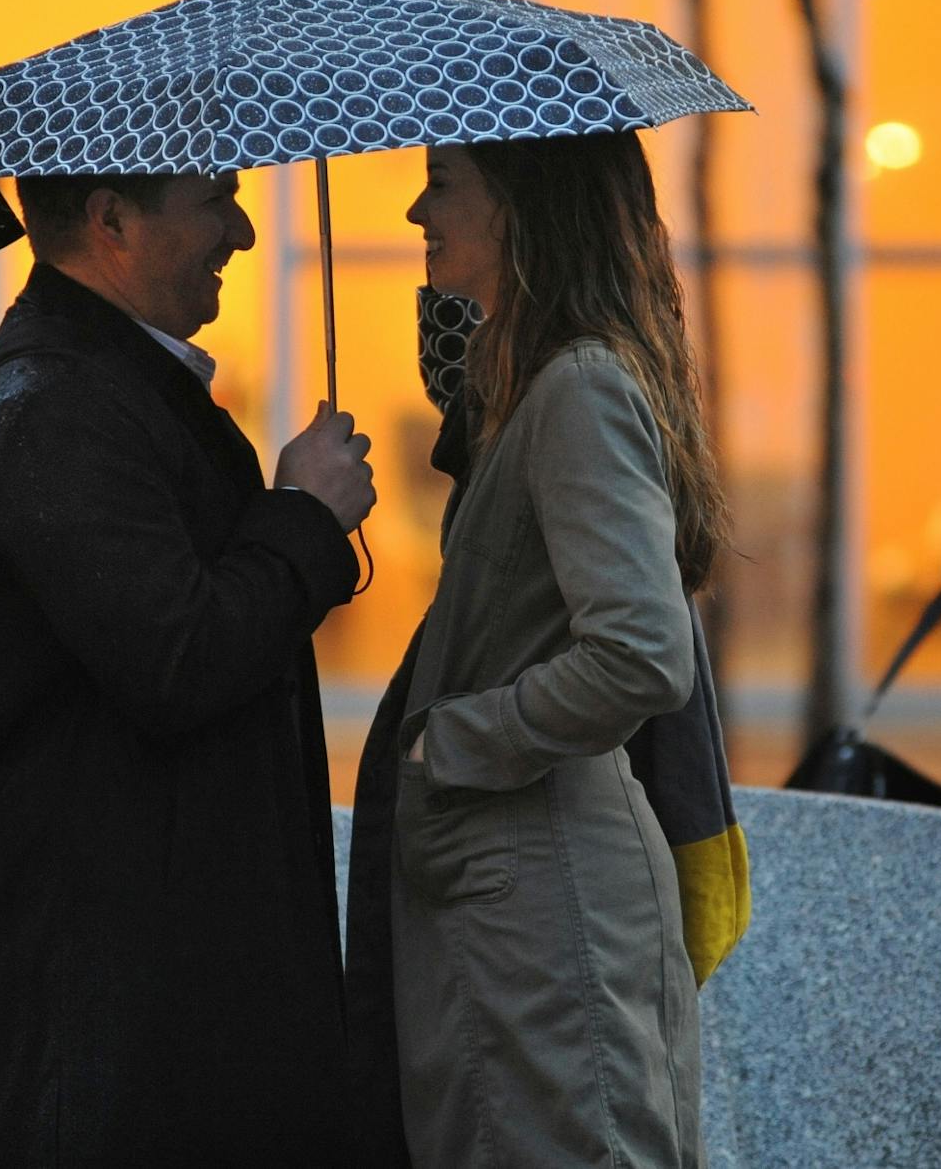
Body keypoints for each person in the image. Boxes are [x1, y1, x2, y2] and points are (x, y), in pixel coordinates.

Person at [0, 168, 375, 1166]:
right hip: (108, 1046)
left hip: (144, 1021)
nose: (245, 231)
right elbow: (177, 655)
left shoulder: (108, 392)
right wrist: (302, 521)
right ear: (111, 220)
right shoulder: (59, 412)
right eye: (214, 197)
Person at [359, 132, 725, 1168]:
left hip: (547, 903)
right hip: (519, 901)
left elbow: (644, 653)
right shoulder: (538, 387)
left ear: (520, 204)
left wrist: (458, 740)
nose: (416, 215)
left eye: (441, 185)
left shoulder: (579, 388)